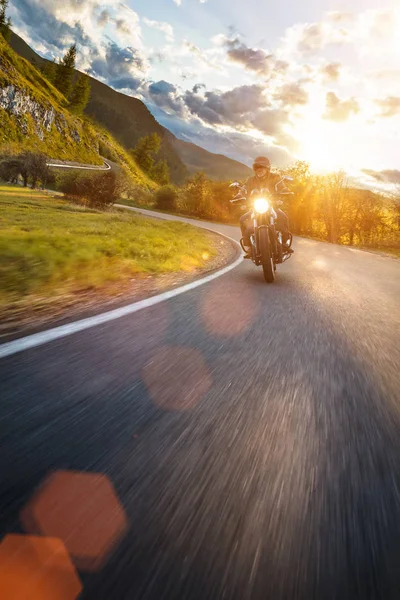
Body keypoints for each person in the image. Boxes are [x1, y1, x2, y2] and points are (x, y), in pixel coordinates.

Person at [239, 156, 293, 258]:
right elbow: (244, 189)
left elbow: (282, 186)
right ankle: (249, 247)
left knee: (283, 217)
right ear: (255, 169)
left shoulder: (275, 177)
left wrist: (285, 190)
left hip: (272, 206)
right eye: (257, 167)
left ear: (267, 168)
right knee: (243, 219)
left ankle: (284, 243)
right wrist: (240, 195)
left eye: (262, 167)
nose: (259, 170)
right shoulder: (251, 180)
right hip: (255, 208)